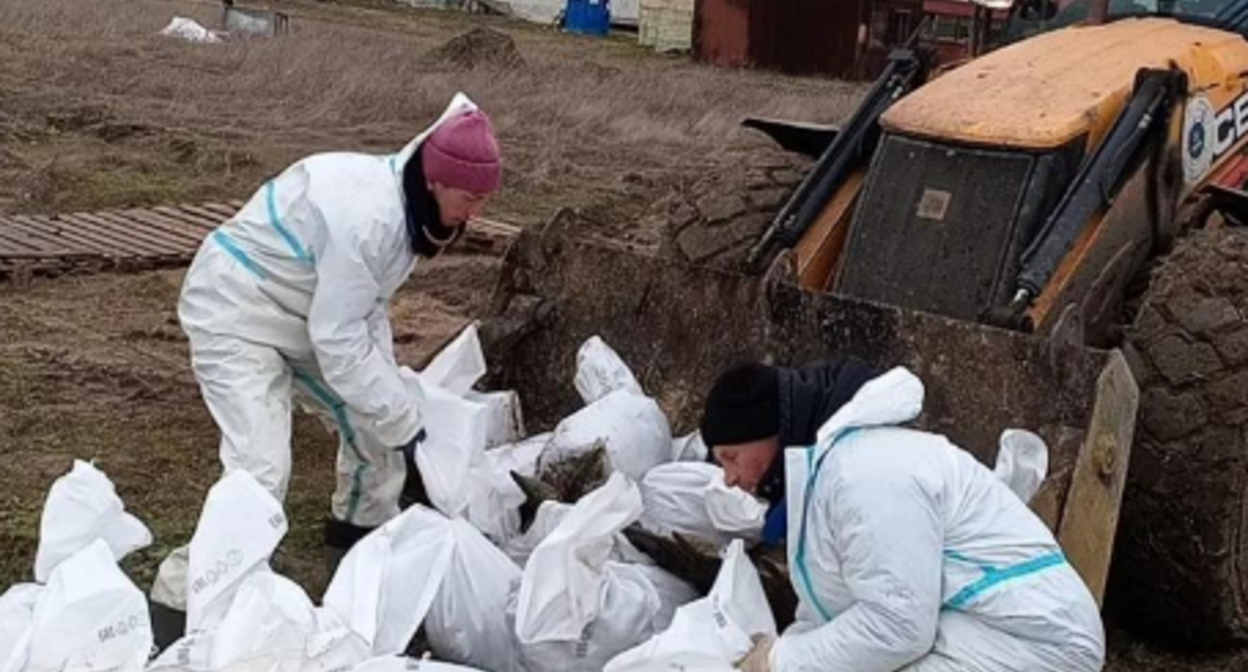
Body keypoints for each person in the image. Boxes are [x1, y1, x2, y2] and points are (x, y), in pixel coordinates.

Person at [148, 92, 502, 646]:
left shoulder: (413, 209)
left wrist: (397, 413)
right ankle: (176, 605)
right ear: (437, 178)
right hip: (237, 306)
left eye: (485, 198)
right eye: (470, 196)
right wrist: (404, 422)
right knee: (260, 472)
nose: (476, 211)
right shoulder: (369, 215)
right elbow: (339, 341)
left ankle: (356, 555)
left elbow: (365, 314)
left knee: (374, 432)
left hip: (304, 310)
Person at [701, 363, 1105, 672]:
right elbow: (831, 611)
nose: (730, 479)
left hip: (1035, 639)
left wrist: (780, 661)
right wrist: (783, 651)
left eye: (731, 458)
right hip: (976, 628)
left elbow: (898, 626)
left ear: (770, 430)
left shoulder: (865, 472)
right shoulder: (824, 482)